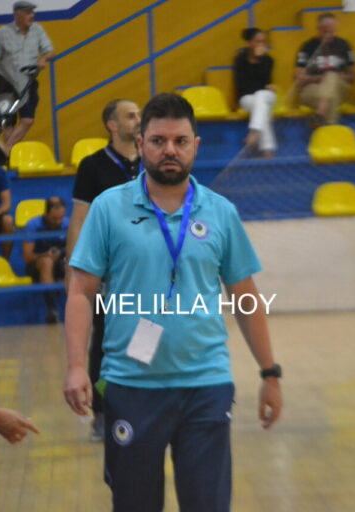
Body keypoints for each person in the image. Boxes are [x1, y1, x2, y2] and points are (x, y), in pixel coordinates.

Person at [63, 93, 282, 512]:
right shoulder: (109, 208)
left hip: (206, 385)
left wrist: (270, 373)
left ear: (195, 145)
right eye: (159, 140)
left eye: (180, 141)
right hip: (131, 385)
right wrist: (76, 365)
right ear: (141, 143)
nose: (170, 150)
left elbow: (246, 298)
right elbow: (80, 292)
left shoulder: (220, 212)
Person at [66, 98, 141, 441]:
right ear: (112, 124)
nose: (138, 120)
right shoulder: (93, 166)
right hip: (109, 273)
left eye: (140, 114)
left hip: (148, 270)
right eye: (130, 115)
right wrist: (76, 272)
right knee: (105, 342)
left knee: (148, 335)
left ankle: (140, 404)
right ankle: (102, 410)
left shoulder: (153, 161)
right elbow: (79, 222)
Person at [0, 1, 54, 160]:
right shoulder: (3, 32)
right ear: (17, 14)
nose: (31, 16)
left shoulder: (38, 30)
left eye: (32, 12)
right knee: (8, 122)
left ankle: (5, 150)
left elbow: (50, 50)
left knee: (28, 119)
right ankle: (8, 158)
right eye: (28, 13)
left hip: (28, 80)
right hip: (8, 82)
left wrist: (43, 59)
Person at [294, 13, 355, 126]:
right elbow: (299, 78)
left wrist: (334, 77)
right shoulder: (307, 47)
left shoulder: (344, 45)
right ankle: (330, 134)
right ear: (318, 28)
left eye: (332, 32)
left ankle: (320, 113)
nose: (329, 35)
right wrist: (321, 79)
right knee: (331, 97)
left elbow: (353, 77)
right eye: (325, 32)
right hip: (312, 90)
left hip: (340, 87)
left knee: (331, 77)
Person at [24, 197, 69, 324]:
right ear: (46, 214)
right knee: (47, 262)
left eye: (61, 218)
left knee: (73, 264)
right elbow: (27, 256)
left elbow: (77, 250)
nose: (58, 221)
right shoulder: (33, 225)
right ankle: (52, 309)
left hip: (61, 262)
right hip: (37, 265)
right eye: (55, 218)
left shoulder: (68, 224)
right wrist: (45, 255)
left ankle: (74, 307)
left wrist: (61, 253)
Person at [234, 28, 276, 156]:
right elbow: (241, 85)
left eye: (263, 42)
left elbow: (265, 80)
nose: (261, 45)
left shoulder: (268, 60)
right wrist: (261, 87)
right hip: (247, 98)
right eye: (257, 41)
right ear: (249, 43)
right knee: (262, 107)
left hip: (267, 96)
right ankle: (267, 150)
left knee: (261, 96)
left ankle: (254, 133)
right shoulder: (240, 60)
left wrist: (260, 61)